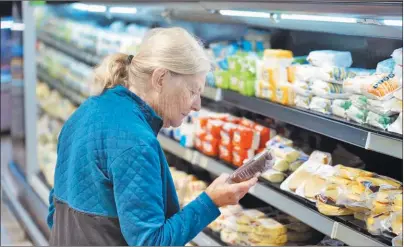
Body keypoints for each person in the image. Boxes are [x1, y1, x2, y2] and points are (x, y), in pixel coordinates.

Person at [47, 27, 271, 246]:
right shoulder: (136, 142)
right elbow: (152, 242)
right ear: (161, 78)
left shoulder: (85, 111)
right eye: (193, 91)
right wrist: (211, 201)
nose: (197, 105)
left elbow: (55, 209)